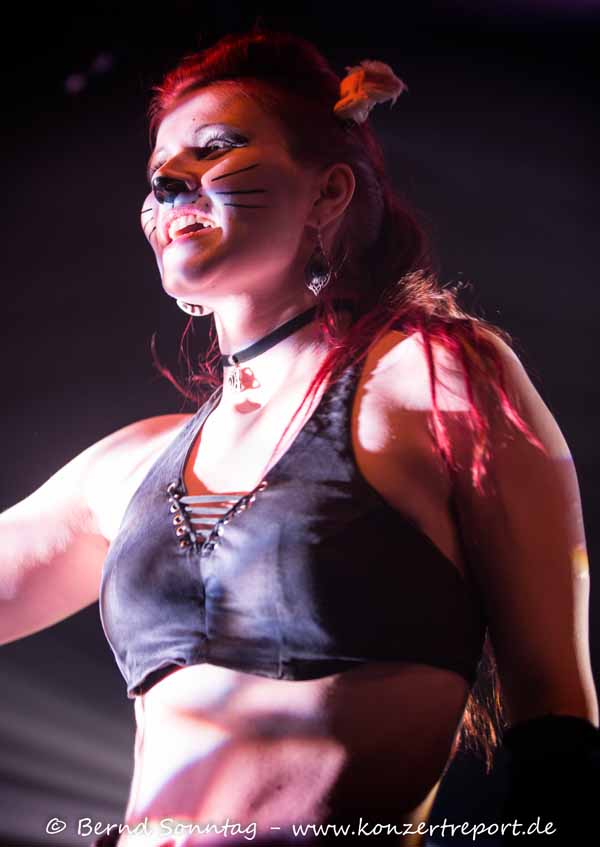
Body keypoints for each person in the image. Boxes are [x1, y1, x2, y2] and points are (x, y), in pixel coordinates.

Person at [1, 24, 598, 847]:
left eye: (215, 149)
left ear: (328, 194)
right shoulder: (130, 465)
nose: (169, 183)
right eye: (158, 171)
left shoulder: (434, 377)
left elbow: (555, 712)